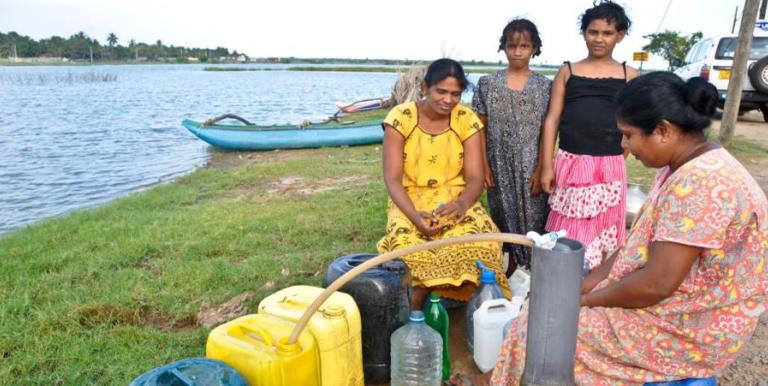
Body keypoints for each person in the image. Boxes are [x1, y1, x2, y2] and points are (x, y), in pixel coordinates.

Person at [450, 72, 768, 385]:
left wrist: (581, 302)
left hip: (693, 326)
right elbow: (635, 250)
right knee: (544, 309)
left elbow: (656, 285)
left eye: (628, 135)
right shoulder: (686, 163)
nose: (623, 144)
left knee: (551, 327)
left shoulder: (701, 182)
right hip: (682, 306)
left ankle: (493, 382)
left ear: (663, 130)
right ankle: (498, 378)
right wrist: (582, 286)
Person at [377, 58, 511, 310]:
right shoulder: (401, 118)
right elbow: (392, 179)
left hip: (456, 200)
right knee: (409, 250)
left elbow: (475, 177)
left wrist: (461, 204)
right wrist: (416, 217)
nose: (448, 100)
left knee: (482, 243)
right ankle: (414, 314)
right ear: (425, 87)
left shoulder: (465, 119)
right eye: (441, 91)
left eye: (455, 94)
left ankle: (475, 310)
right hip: (409, 201)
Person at [538, 0, 639, 270]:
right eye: (593, 32)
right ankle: (565, 274)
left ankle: (595, 283)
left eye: (607, 33)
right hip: (570, 164)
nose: (599, 39)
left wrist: (620, 155)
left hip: (609, 165)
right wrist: (547, 166)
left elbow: (635, 123)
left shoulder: (629, 75)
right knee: (569, 229)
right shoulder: (568, 71)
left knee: (604, 228)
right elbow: (552, 119)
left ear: (620, 36)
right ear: (584, 33)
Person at [472, 18, 551, 273]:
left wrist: (542, 167)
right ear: (503, 47)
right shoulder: (487, 84)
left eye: (525, 46)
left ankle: (535, 270)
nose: (518, 52)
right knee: (503, 215)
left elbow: (548, 130)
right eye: (512, 46)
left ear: (535, 48)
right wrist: (484, 165)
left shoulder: (545, 86)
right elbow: (479, 128)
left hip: (533, 164)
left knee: (535, 217)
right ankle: (511, 268)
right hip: (498, 163)